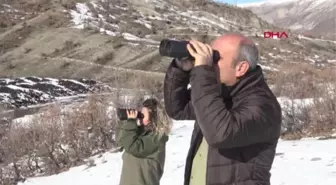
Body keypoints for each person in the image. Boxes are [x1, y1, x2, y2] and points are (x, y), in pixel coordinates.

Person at [163, 33, 282, 185]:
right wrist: (181, 69)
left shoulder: (263, 106)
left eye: (215, 58)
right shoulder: (220, 93)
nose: (209, 63)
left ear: (241, 68)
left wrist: (203, 72)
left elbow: (220, 133)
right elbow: (178, 108)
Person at [116, 98, 171, 185]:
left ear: (154, 117)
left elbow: (133, 146)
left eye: (143, 114)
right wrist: (125, 121)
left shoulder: (157, 139)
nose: (140, 116)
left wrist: (131, 122)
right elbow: (120, 141)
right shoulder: (138, 133)